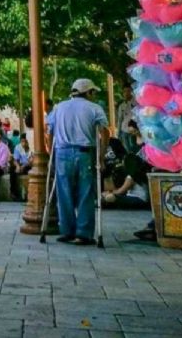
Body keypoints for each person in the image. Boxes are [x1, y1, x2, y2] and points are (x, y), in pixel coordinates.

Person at [47, 79, 110, 246]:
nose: (94, 95)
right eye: (93, 92)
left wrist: (50, 154)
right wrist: (102, 156)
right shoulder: (94, 108)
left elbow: (50, 132)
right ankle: (83, 233)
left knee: (64, 192)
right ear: (88, 92)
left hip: (62, 153)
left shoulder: (59, 107)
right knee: (86, 193)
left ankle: (67, 231)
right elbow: (105, 132)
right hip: (84, 154)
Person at [11, 137, 32, 201]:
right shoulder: (18, 147)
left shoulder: (31, 148)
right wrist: (17, 166)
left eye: (25, 141)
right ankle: (13, 193)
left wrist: (24, 166)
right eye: (22, 142)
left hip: (29, 165)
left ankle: (27, 195)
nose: (24, 143)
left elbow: (31, 161)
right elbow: (15, 159)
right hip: (20, 164)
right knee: (12, 171)